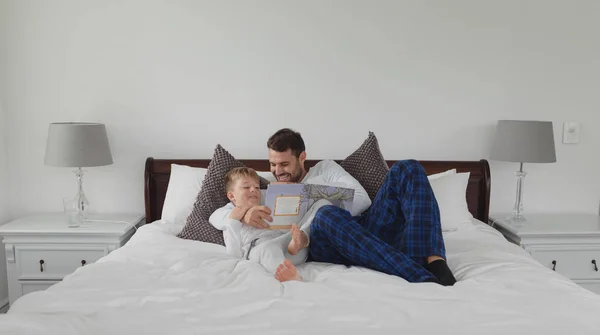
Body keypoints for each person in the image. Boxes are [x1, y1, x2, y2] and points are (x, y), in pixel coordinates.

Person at [265, 128, 457, 286]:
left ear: (302, 157)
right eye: (273, 164)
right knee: (325, 215)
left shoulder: (325, 169)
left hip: (365, 230)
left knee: (408, 167)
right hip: (327, 243)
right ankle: (418, 273)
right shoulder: (267, 190)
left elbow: (362, 201)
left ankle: (435, 261)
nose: (277, 171)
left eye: (284, 164)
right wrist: (246, 213)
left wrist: (303, 191)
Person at [208, 167, 331, 282]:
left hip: (290, 243)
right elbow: (233, 253)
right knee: (268, 249)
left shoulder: (266, 198)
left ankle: (302, 237)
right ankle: (291, 276)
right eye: (246, 187)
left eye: (256, 187)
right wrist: (236, 219)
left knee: (323, 203)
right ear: (231, 196)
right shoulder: (229, 213)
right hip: (261, 249)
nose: (253, 190)